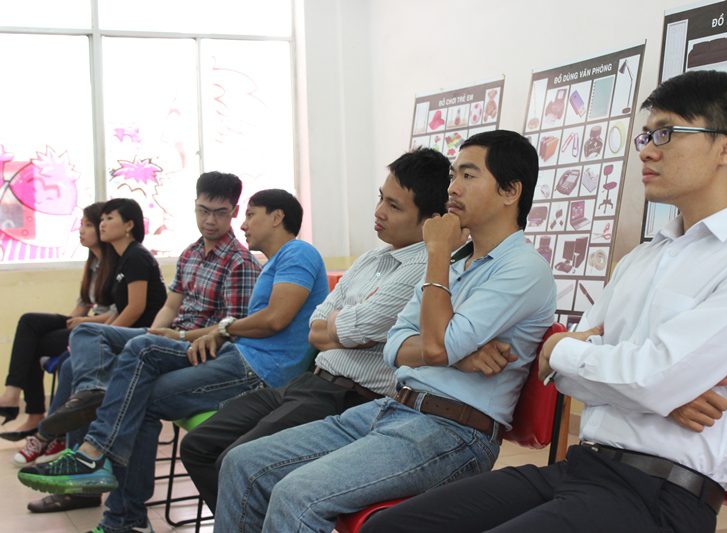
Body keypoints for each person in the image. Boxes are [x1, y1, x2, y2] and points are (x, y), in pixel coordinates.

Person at [361, 70, 727, 533]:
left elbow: (644, 377)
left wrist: (575, 353)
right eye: (646, 136)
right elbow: (562, 375)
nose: (648, 150)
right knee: (389, 528)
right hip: (581, 468)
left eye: (667, 133)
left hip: (661, 496)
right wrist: (639, 384)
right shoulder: (642, 259)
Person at [213, 130, 557, 532]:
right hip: (393, 408)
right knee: (242, 463)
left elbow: (433, 347)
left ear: (510, 191)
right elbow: (396, 345)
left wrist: (437, 257)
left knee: (297, 495)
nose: (453, 188)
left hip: (454, 433)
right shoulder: (456, 262)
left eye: (468, 175)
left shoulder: (522, 268)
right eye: (453, 176)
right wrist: (455, 353)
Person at [18, 189, 328, 533]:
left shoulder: (298, 253)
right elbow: (246, 323)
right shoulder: (272, 262)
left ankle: (105, 477)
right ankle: (112, 491)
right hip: (237, 355)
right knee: (116, 349)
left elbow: (275, 319)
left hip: (259, 370)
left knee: (140, 372)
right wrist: (193, 335)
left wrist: (220, 330)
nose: (243, 225)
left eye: (250, 215)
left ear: (277, 217)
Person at [179, 147, 450, 511]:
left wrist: (338, 325)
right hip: (310, 382)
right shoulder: (371, 259)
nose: (378, 212)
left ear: (431, 220)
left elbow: (358, 327)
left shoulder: (424, 267)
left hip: (351, 397)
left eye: (394, 206)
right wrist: (341, 326)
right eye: (380, 198)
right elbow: (316, 327)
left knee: (237, 461)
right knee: (197, 446)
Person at [23, 171, 261, 513]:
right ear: (194, 206)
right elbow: (170, 306)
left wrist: (172, 337)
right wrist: (155, 331)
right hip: (169, 338)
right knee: (86, 335)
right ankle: (92, 395)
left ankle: (98, 473)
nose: (210, 220)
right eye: (203, 210)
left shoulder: (240, 262)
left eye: (220, 213)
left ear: (234, 212)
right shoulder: (191, 253)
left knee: (134, 367)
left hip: (198, 349)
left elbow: (229, 331)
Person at [0, 203, 114, 443]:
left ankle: (30, 411)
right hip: (86, 321)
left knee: (32, 345)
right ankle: (16, 397)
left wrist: (82, 322)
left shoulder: (117, 263)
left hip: (100, 328)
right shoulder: (93, 262)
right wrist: (68, 323)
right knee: (29, 322)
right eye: (81, 225)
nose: (81, 230)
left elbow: (120, 312)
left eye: (88, 225)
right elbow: (83, 304)